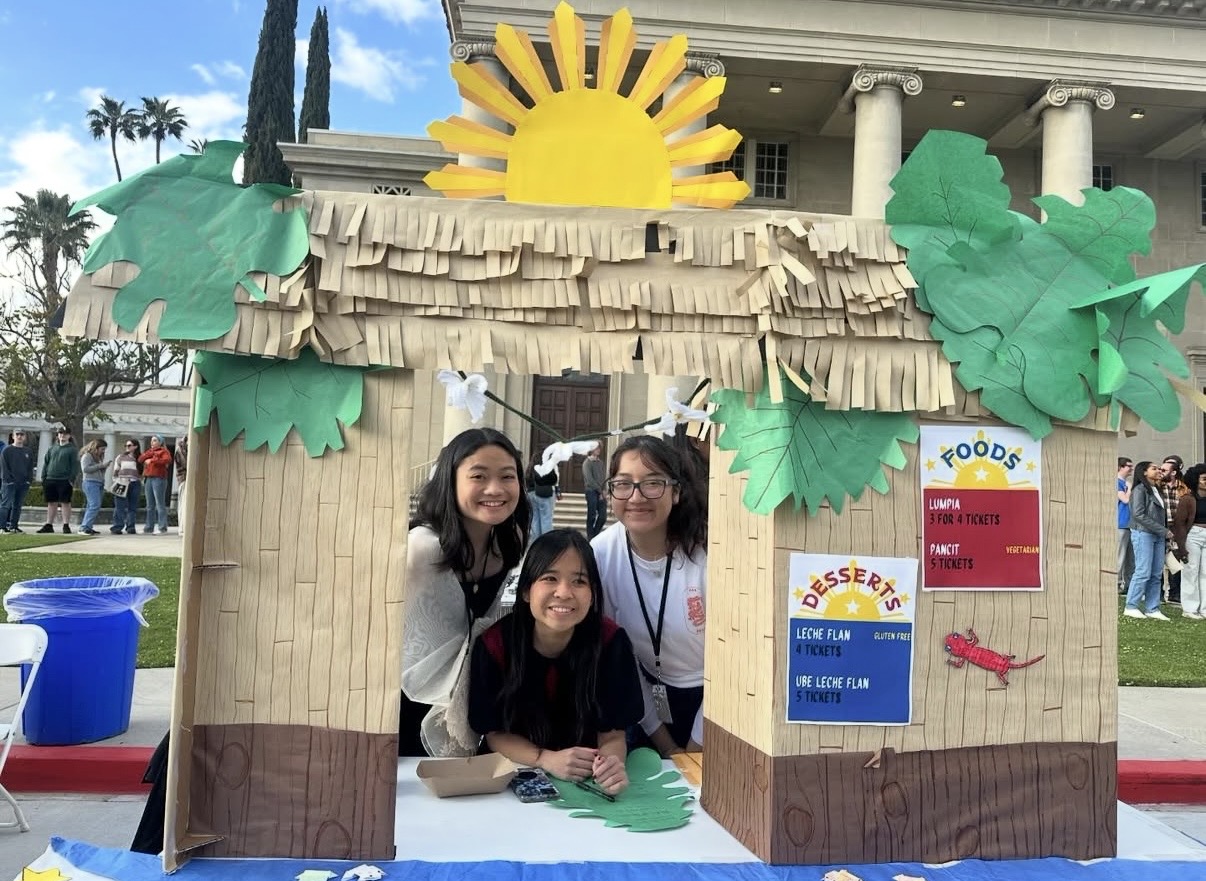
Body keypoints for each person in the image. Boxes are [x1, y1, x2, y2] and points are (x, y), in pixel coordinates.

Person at [468, 529, 642, 794]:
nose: (564, 592)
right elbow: (494, 733)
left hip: (584, 780)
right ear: (526, 590)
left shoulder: (610, 643)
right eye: (550, 578)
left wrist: (610, 766)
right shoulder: (495, 645)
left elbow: (613, 733)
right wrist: (544, 758)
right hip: (510, 776)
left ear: (593, 593)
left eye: (579, 581)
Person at [401, 427, 531, 757]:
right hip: (406, 702)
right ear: (451, 480)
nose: (495, 489)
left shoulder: (508, 540)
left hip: (466, 703)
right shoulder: (421, 549)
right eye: (478, 476)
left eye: (507, 476)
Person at [591, 435, 707, 757]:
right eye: (623, 484)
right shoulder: (600, 554)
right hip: (644, 701)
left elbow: (734, 665)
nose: (637, 497)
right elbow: (619, 658)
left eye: (653, 483)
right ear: (610, 492)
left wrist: (694, 748)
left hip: (721, 704)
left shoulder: (709, 553)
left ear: (676, 491)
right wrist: (666, 745)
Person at [1124, 461, 1172, 621]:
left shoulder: (1156, 489)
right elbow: (1138, 514)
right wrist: (1163, 531)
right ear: (1144, 472)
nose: (1158, 470)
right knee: (1143, 571)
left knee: (1156, 573)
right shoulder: (1140, 489)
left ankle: (1152, 608)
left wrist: (1163, 532)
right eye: (1154, 468)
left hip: (1158, 534)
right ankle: (1131, 606)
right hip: (1143, 533)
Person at [1172, 463, 1206, 620]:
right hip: (1193, 535)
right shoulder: (1187, 499)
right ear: (1195, 480)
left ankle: (1204, 608)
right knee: (1191, 570)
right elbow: (1179, 524)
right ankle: (1190, 609)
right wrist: (1181, 546)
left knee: (1205, 572)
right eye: (1204, 479)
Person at [37, 428, 80, 533]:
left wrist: (71, 479)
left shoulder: (72, 450)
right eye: (61, 433)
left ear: (69, 436)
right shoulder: (52, 448)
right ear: (58, 435)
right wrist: (43, 477)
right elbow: (46, 462)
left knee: (65, 502)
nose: (62, 435)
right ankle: (49, 524)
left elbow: (75, 465)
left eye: (65, 434)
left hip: (64, 479)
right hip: (50, 478)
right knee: (51, 502)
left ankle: (66, 525)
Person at [1160, 456, 1188, 605]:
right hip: (1161, 525)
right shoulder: (1158, 486)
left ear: (1174, 472)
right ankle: (1158, 593)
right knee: (1158, 558)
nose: (1160, 472)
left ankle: (1175, 593)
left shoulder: (1184, 488)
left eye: (1164, 470)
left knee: (1176, 558)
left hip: (1177, 527)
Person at [0, 429, 35, 533]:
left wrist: (28, 480)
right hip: (9, 483)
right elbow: (4, 467)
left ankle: (14, 526)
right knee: (5, 505)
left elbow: (30, 467)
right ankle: (2, 527)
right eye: (17, 434)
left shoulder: (28, 451)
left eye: (22, 434)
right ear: (13, 436)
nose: (19, 436)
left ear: (25, 437)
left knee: (17, 506)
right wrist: (8, 480)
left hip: (23, 483)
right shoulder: (7, 450)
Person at [139, 435, 173, 535]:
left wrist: (153, 460)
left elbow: (167, 460)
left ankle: (162, 528)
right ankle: (149, 528)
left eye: (154, 440)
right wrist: (148, 454)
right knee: (150, 505)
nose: (152, 442)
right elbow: (140, 459)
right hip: (148, 478)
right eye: (151, 440)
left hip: (159, 478)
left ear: (160, 442)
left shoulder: (164, 451)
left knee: (160, 504)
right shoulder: (150, 451)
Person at [79, 439, 112, 535]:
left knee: (92, 506)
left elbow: (98, 471)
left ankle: (88, 526)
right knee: (94, 505)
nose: (103, 451)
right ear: (95, 448)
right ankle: (84, 527)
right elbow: (85, 469)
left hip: (99, 482)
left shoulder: (98, 458)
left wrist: (103, 468)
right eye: (102, 449)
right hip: (90, 482)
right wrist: (100, 466)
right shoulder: (87, 456)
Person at [110, 439, 143, 535]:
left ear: (135, 446)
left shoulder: (140, 458)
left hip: (135, 483)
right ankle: (117, 527)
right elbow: (116, 470)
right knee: (119, 506)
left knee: (132, 507)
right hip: (122, 483)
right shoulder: (121, 457)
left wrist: (140, 480)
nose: (127, 447)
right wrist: (116, 480)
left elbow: (143, 471)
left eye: (129, 445)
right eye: (126, 445)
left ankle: (130, 526)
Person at [525, 450, 558, 540]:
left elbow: (526, 480)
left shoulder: (530, 469)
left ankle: (536, 542)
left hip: (531, 493)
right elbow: (553, 479)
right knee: (546, 519)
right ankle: (546, 542)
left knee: (534, 520)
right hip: (544, 494)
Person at [583, 442, 608, 539]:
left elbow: (603, 478)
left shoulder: (600, 463)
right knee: (592, 515)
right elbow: (590, 480)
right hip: (591, 491)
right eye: (596, 448)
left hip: (601, 492)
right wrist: (600, 491)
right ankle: (590, 537)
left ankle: (595, 535)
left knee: (603, 516)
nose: (598, 450)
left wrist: (604, 490)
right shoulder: (587, 463)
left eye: (599, 448)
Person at [1117, 457, 1134, 594]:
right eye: (1128, 466)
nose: (1131, 469)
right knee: (1120, 555)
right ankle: (1116, 583)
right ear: (1120, 467)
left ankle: (1128, 584)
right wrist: (1129, 488)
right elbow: (1125, 499)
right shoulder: (1117, 482)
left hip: (1129, 524)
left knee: (1130, 558)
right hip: (1120, 523)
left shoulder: (1125, 483)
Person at [174, 438, 189, 538]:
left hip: (188, 478)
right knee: (184, 504)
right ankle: (183, 529)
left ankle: (184, 528)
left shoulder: (183, 447)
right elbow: (187, 464)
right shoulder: (181, 449)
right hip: (184, 478)